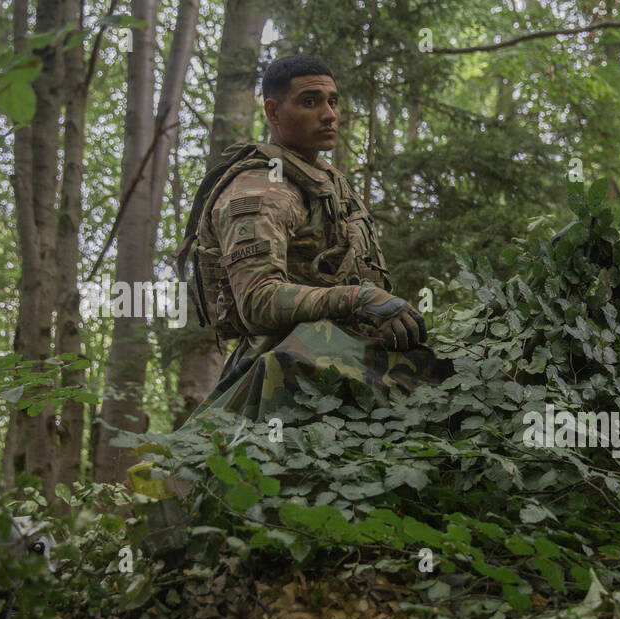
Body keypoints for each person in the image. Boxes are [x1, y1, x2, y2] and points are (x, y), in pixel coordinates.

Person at [177, 54, 447, 425]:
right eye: (310, 101)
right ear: (273, 111)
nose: (329, 114)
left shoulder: (325, 179)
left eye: (332, 101)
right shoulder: (259, 190)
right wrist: (360, 299)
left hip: (342, 354)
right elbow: (258, 299)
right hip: (287, 372)